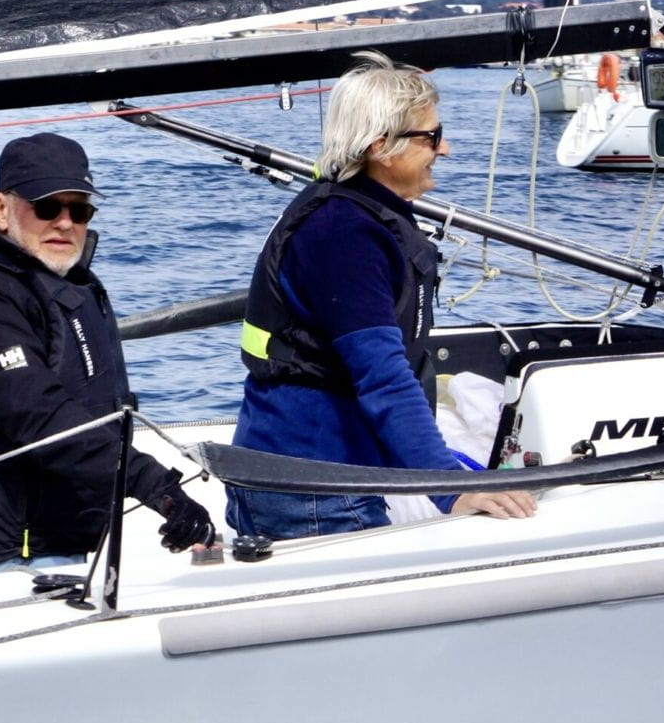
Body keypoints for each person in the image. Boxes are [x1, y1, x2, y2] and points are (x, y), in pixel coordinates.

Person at [229, 51, 537, 538]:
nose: (445, 148)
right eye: (431, 136)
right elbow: (382, 376)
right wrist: (450, 487)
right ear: (381, 145)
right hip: (315, 487)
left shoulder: (348, 216)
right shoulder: (344, 235)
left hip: (303, 471)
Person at [0, 133, 215, 575]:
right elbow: (35, 412)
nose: (65, 223)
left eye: (80, 210)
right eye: (47, 207)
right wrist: (153, 484)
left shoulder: (56, 278)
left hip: (64, 532)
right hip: (11, 546)